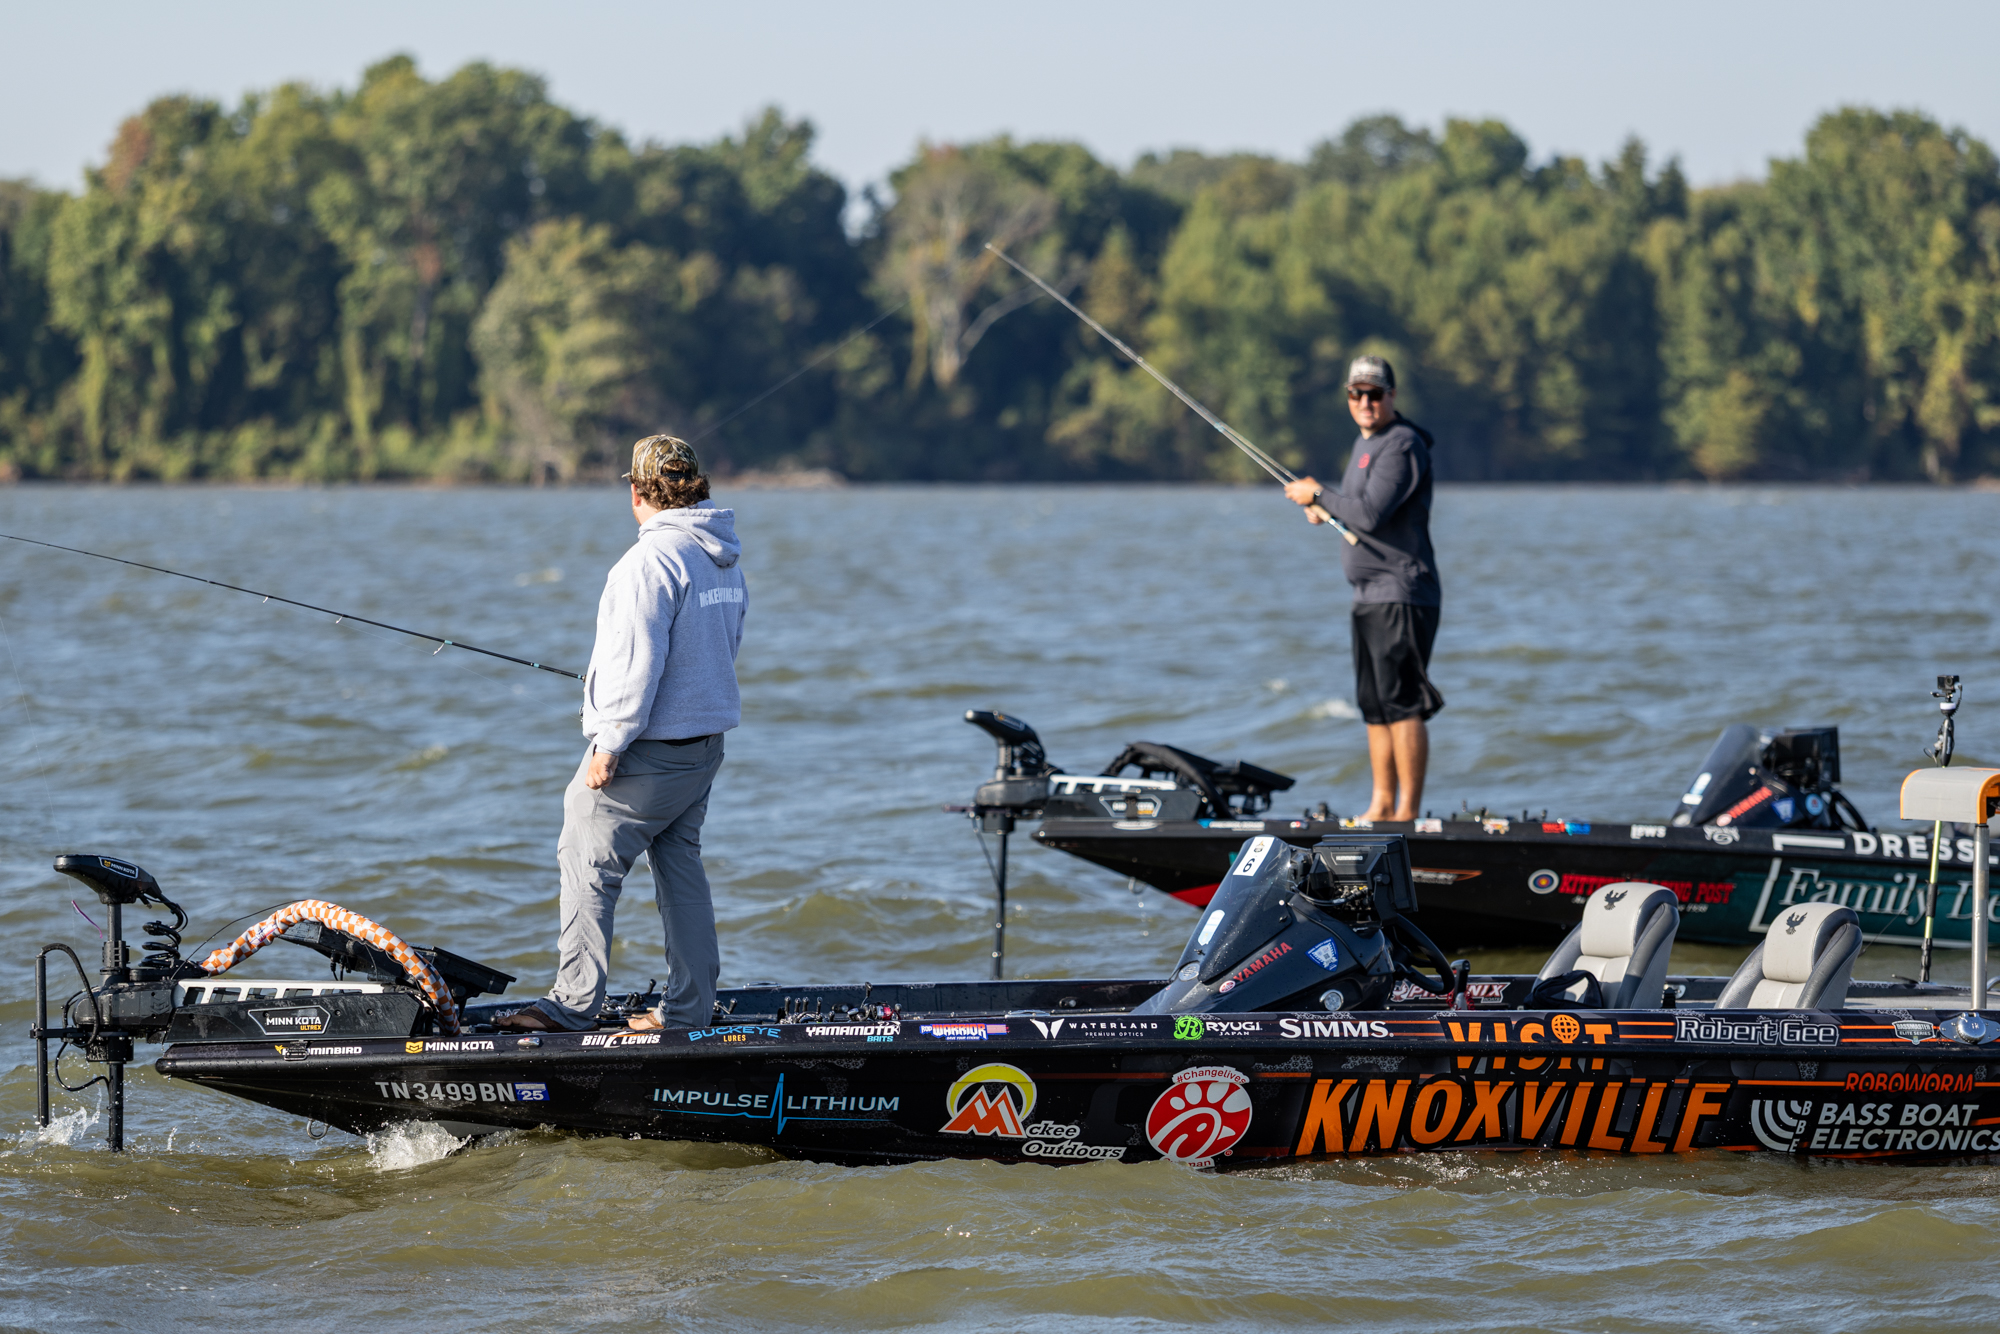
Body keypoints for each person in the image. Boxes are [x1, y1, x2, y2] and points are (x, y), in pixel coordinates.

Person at [499, 435, 748, 1034]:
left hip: (650, 752)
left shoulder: (648, 562)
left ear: (637, 492)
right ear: (695, 486)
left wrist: (610, 744)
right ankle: (688, 1011)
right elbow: (724, 645)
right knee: (680, 866)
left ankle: (571, 1005)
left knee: (585, 847)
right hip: (703, 750)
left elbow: (636, 664)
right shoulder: (723, 557)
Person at [1282, 356, 1443, 822]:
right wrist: (1326, 510)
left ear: (1392, 396)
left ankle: (1407, 814)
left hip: (1402, 593)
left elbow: (1371, 513)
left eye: (1374, 394)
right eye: (1356, 394)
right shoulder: (1364, 444)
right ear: (1348, 398)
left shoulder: (1403, 444)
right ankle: (1382, 805)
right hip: (1367, 594)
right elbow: (1355, 508)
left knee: (1402, 703)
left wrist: (1318, 495)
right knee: (1373, 705)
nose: (1365, 402)